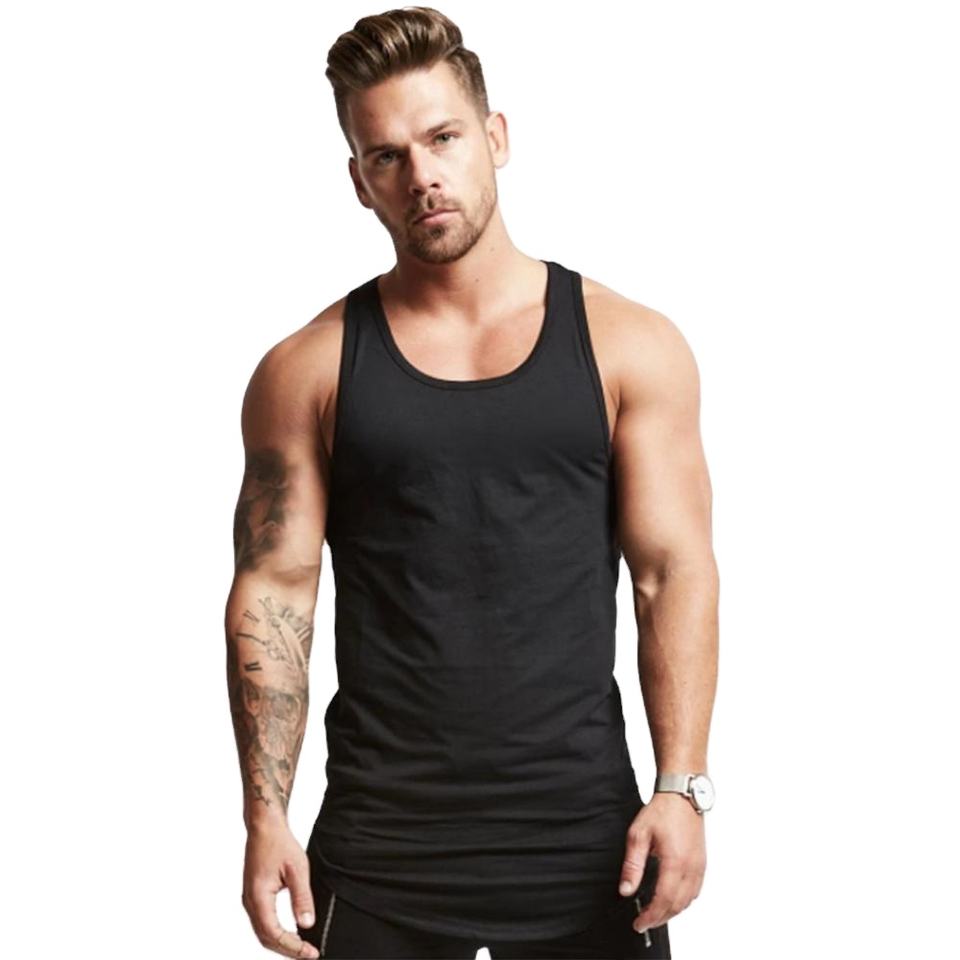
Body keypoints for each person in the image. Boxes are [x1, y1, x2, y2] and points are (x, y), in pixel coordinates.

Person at [225, 7, 718, 959]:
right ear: (360, 181)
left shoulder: (630, 346)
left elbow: (672, 573)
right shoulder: (306, 371)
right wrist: (264, 815)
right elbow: (274, 592)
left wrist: (682, 787)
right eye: (387, 155)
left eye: (443, 137)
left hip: (591, 847)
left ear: (495, 136)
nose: (422, 174)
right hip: (378, 850)